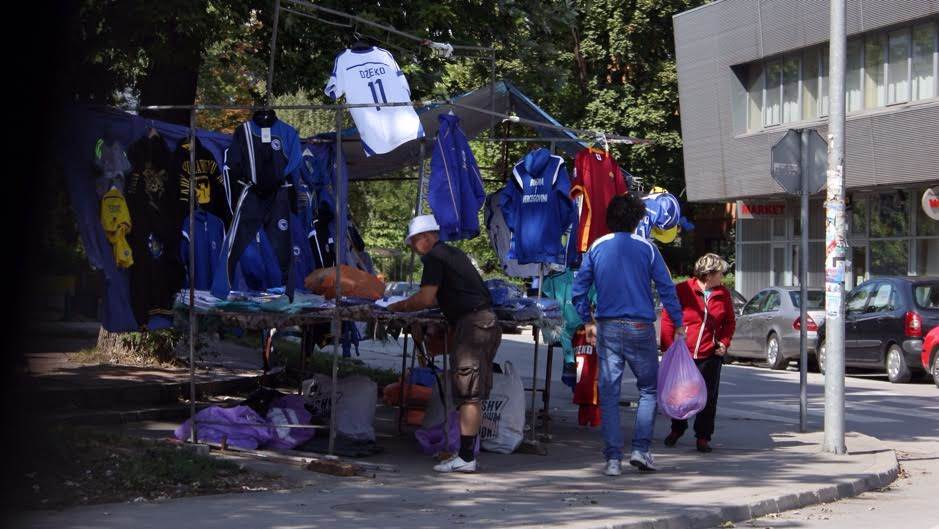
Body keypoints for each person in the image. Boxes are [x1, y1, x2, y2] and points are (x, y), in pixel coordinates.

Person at [572, 195, 685, 476]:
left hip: (608, 326)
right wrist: (679, 322)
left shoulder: (596, 247)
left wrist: (587, 319)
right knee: (648, 389)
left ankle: (612, 459)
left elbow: (578, 289)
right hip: (640, 326)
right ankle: (641, 450)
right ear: (637, 219)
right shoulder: (647, 249)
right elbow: (667, 288)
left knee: (609, 392)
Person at [388, 214, 502, 473]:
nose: (413, 250)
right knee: (471, 392)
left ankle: (466, 458)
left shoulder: (435, 258)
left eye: (413, 243)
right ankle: (464, 453)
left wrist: (400, 306)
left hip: (472, 325)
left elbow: (427, 298)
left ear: (425, 238)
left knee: (469, 393)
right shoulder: (454, 254)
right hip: (482, 323)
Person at [659, 253, 736, 453]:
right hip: (683, 353)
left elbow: (729, 322)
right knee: (680, 395)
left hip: (710, 355)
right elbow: (668, 317)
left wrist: (724, 343)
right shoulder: (683, 289)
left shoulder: (723, 294)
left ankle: (703, 436)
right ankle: (677, 428)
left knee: (708, 398)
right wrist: (667, 347)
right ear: (708, 274)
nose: (723, 277)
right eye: (720, 273)